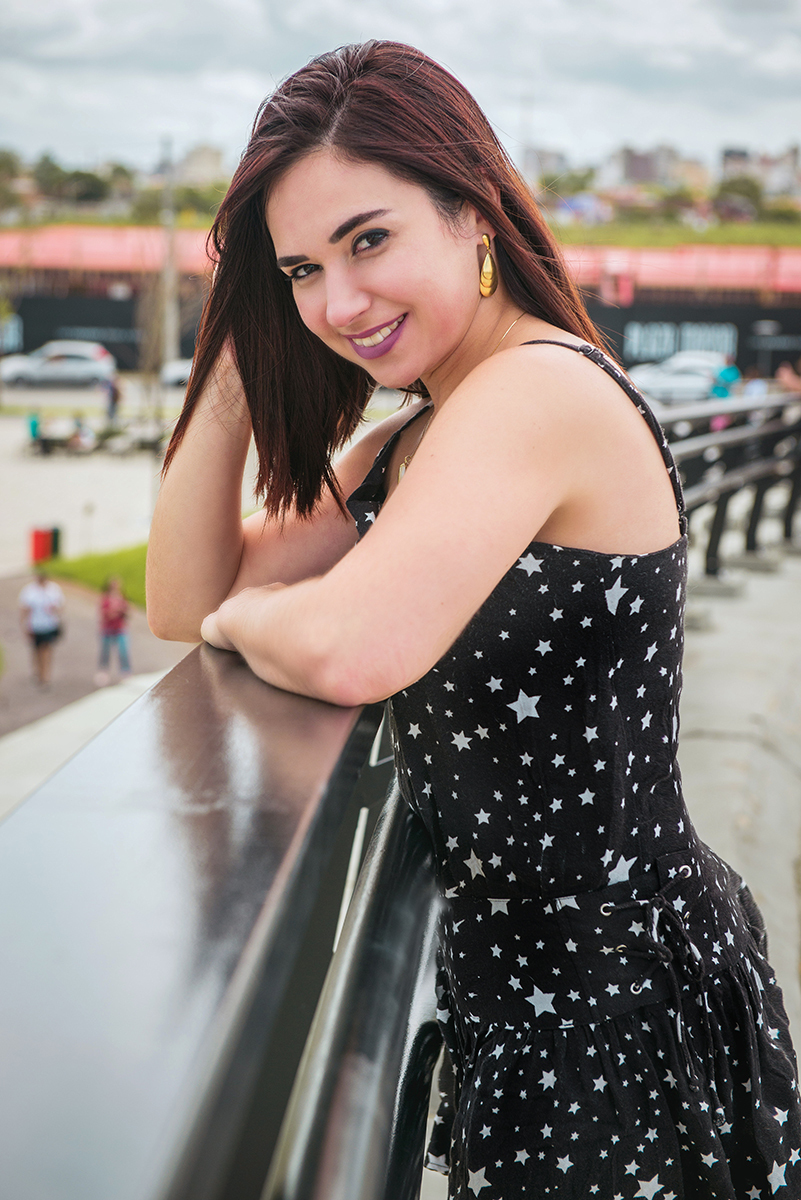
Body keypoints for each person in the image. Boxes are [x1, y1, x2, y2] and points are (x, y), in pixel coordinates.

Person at [146, 42, 801, 1197]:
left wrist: (251, 623)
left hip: (613, 1023)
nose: (339, 303)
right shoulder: (421, 432)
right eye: (300, 269)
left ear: (473, 215)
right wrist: (243, 359)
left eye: (369, 239)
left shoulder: (535, 391)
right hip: (532, 1008)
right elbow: (180, 597)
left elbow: (346, 644)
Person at [19, 568, 64, 686]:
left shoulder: (54, 589)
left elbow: (61, 607)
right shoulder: (29, 590)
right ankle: (38, 671)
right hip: (34, 625)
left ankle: (45, 675)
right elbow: (24, 609)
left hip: (49, 625)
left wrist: (55, 609)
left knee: (46, 649)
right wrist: (24, 626)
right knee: (36, 650)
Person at [95, 576, 131, 685]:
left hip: (120, 629)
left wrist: (120, 612)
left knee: (123, 652)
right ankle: (103, 672)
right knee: (105, 652)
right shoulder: (105, 599)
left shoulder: (122, 597)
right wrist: (116, 611)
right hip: (108, 629)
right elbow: (105, 614)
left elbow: (127, 613)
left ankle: (125, 672)